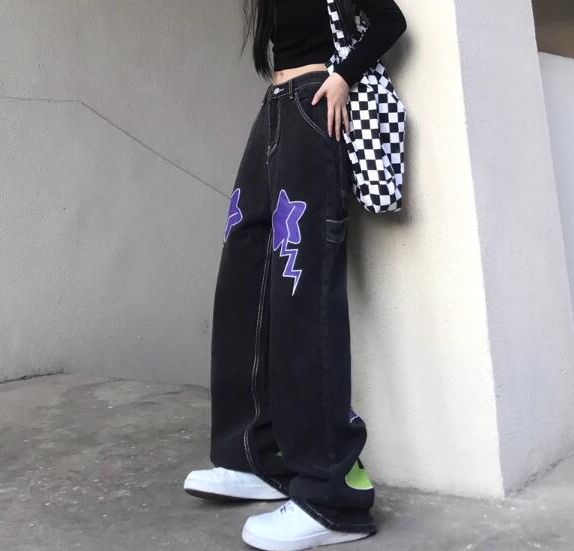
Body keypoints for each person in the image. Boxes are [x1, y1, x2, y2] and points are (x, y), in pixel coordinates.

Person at [184, 1, 406, 549]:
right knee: (243, 276)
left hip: (315, 106)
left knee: (302, 289)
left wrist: (343, 77)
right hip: (276, 109)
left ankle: (333, 493)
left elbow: (390, 20)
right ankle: (254, 455)